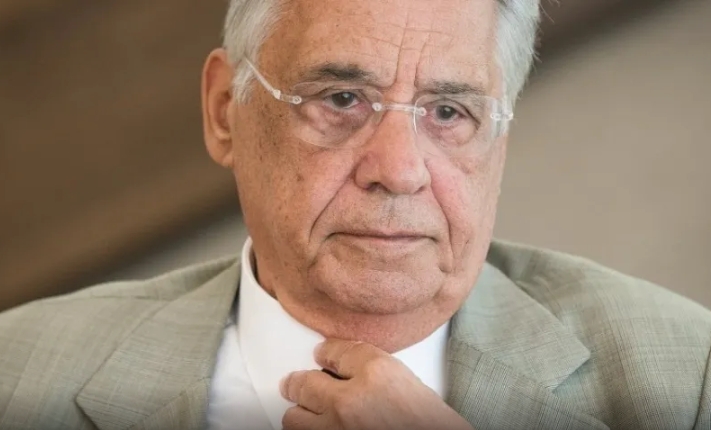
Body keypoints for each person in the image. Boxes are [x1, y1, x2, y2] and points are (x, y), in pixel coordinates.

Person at [1, 0, 710, 428]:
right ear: (224, 112)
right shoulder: (18, 372)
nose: (398, 170)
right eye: (341, 99)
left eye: (448, 112)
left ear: (499, 139)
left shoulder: (686, 377)